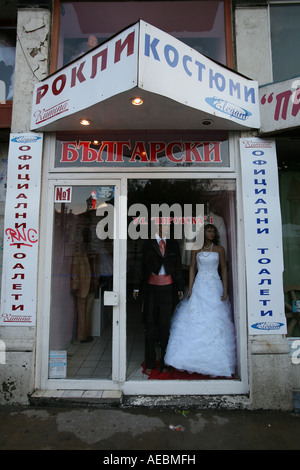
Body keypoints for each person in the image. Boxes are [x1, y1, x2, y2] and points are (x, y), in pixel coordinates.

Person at [164, 224, 236, 377]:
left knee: (215, 319)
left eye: (213, 231)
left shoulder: (219, 249)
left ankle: (216, 360)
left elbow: (223, 268)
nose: (211, 233)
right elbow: (192, 268)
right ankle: (190, 358)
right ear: (203, 233)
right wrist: (190, 288)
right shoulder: (196, 249)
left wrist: (224, 288)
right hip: (200, 285)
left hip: (214, 285)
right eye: (209, 231)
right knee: (195, 318)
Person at [133, 222, 184, 374]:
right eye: (163, 225)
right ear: (157, 227)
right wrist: (136, 286)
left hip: (168, 288)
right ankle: (150, 362)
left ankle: (165, 363)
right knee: (150, 325)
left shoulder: (173, 244)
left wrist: (180, 286)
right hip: (151, 289)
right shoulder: (147, 243)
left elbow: (178, 266)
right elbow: (138, 265)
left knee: (165, 325)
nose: (166, 228)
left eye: (168, 225)